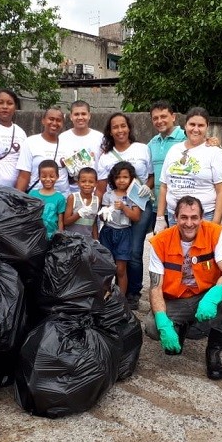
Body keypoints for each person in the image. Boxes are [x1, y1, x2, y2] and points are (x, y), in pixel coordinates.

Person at [145, 195, 222, 380]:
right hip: (176, 299)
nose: (189, 223)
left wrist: (212, 297)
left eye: (194, 217)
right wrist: (163, 322)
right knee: (152, 327)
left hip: (205, 296)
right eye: (184, 217)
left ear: (202, 217)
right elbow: (155, 287)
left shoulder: (215, 233)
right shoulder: (160, 241)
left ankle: (213, 352)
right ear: (175, 217)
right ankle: (181, 327)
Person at [96, 112, 153, 309]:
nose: (120, 130)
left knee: (135, 251)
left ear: (129, 127)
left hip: (139, 204)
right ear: (110, 132)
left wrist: (147, 189)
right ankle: (110, 292)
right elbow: (102, 186)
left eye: (123, 126)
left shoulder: (142, 149)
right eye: (115, 127)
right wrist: (99, 211)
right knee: (111, 256)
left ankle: (133, 292)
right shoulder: (104, 156)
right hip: (114, 209)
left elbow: (151, 176)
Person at [155, 107, 222, 232]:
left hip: (204, 218)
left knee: (201, 252)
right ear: (185, 125)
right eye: (192, 124)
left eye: (201, 125)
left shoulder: (215, 152)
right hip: (175, 217)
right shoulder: (174, 150)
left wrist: (215, 223)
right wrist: (160, 218)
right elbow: (164, 186)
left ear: (207, 126)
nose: (196, 129)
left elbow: (221, 191)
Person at [98, 161, 142, 296]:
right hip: (108, 231)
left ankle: (121, 300)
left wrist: (123, 207)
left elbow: (136, 217)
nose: (121, 180)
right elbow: (101, 216)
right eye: (117, 177)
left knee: (121, 269)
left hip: (124, 233)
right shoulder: (108, 195)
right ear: (113, 179)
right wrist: (104, 214)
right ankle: (104, 296)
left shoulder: (134, 196)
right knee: (106, 266)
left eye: (125, 177)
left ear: (131, 178)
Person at [15, 107, 70, 195]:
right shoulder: (30, 142)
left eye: (58, 120)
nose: (54, 123)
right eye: (51, 119)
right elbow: (24, 175)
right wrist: (17, 198)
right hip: (37, 199)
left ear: (62, 123)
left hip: (62, 199)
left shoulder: (68, 145)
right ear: (43, 120)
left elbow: (75, 174)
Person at [58, 100, 104, 194]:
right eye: (76, 114)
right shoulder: (62, 138)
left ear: (89, 115)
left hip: (93, 192)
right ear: (71, 116)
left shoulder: (100, 137)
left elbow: (103, 166)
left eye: (83, 114)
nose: (80, 117)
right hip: (69, 192)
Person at [27, 159, 66, 239]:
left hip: (52, 236)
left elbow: (60, 221)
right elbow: (28, 215)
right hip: (34, 236)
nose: (48, 179)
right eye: (44, 176)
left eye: (51, 176)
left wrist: (61, 237)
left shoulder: (60, 198)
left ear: (57, 177)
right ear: (39, 176)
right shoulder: (32, 194)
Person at [64, 166, 99, 239]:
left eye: (91, 182)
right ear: (78, 183)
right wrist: (79, 214)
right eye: (83, 181)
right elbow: (66, 222)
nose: (87, 184)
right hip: (72, 240)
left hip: (87, 240)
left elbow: (94, 223)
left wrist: (96, 240)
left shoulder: (96, 200)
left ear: (96, 183)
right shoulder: (72, 198)